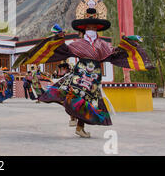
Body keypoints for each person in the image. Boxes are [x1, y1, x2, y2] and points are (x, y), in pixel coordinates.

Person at [13, 12, 154, 138]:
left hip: (93, 79)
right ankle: (72, 115)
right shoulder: (78, 43)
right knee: (70, 94)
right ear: (83, 29)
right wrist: (59, 37)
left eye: (94, 28)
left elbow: (115, 53)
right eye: (89, 28)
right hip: (79, 75)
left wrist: (128, 42)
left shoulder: (103, 45)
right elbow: (63, 49)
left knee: (86, 103)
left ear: (97, 29)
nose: (91, 30)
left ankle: (80, 127)